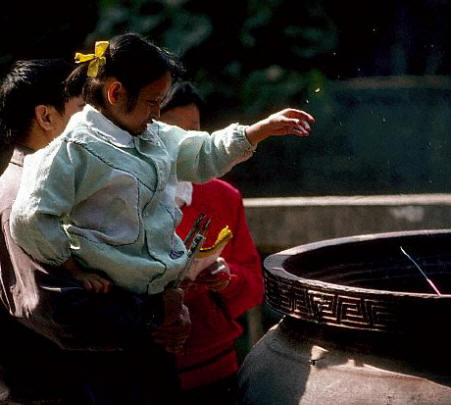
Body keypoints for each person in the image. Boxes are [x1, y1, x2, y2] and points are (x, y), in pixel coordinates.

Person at [0, 58, 189, 405]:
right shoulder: (20, 199)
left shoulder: (71, 185)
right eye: (86, 110)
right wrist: (154, 311)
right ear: (46, 117)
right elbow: (60, 311)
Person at [160, 81, 264, 404]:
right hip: (148, 367)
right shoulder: (125, 194)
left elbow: (254, 285)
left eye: (193, 131)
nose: (185, 143)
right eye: (172, 133)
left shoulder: (223, 196)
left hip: (215, 365)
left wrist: (225, 277)